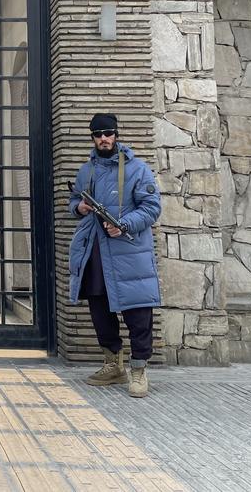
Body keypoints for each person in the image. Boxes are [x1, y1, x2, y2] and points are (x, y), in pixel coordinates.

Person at [68, 113, 161, 398]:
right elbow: (74, 200)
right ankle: (113, 365)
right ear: (93, 138)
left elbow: (151, 207)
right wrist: (79, 208)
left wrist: (124, 225)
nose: (103, 138)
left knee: (138, 313)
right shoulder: (87, 171)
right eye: (98, 134)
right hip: (95, 251)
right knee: (99, 309)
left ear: (116, 134)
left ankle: (139, 369)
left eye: (108, 133)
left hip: (128, 251)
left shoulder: (138, 169)